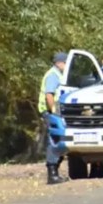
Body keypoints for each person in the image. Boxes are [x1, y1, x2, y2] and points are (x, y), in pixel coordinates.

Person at [39, 52, 69, 185]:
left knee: (57, 140)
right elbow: (49, 96)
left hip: (52, 112)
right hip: (50, 113)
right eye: (66, 63)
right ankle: (52, 174)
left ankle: (55, 172)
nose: (67, 66)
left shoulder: (58, 74)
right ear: (60, 63)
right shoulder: (53, 75)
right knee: (54, 141)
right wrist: (54, 111)